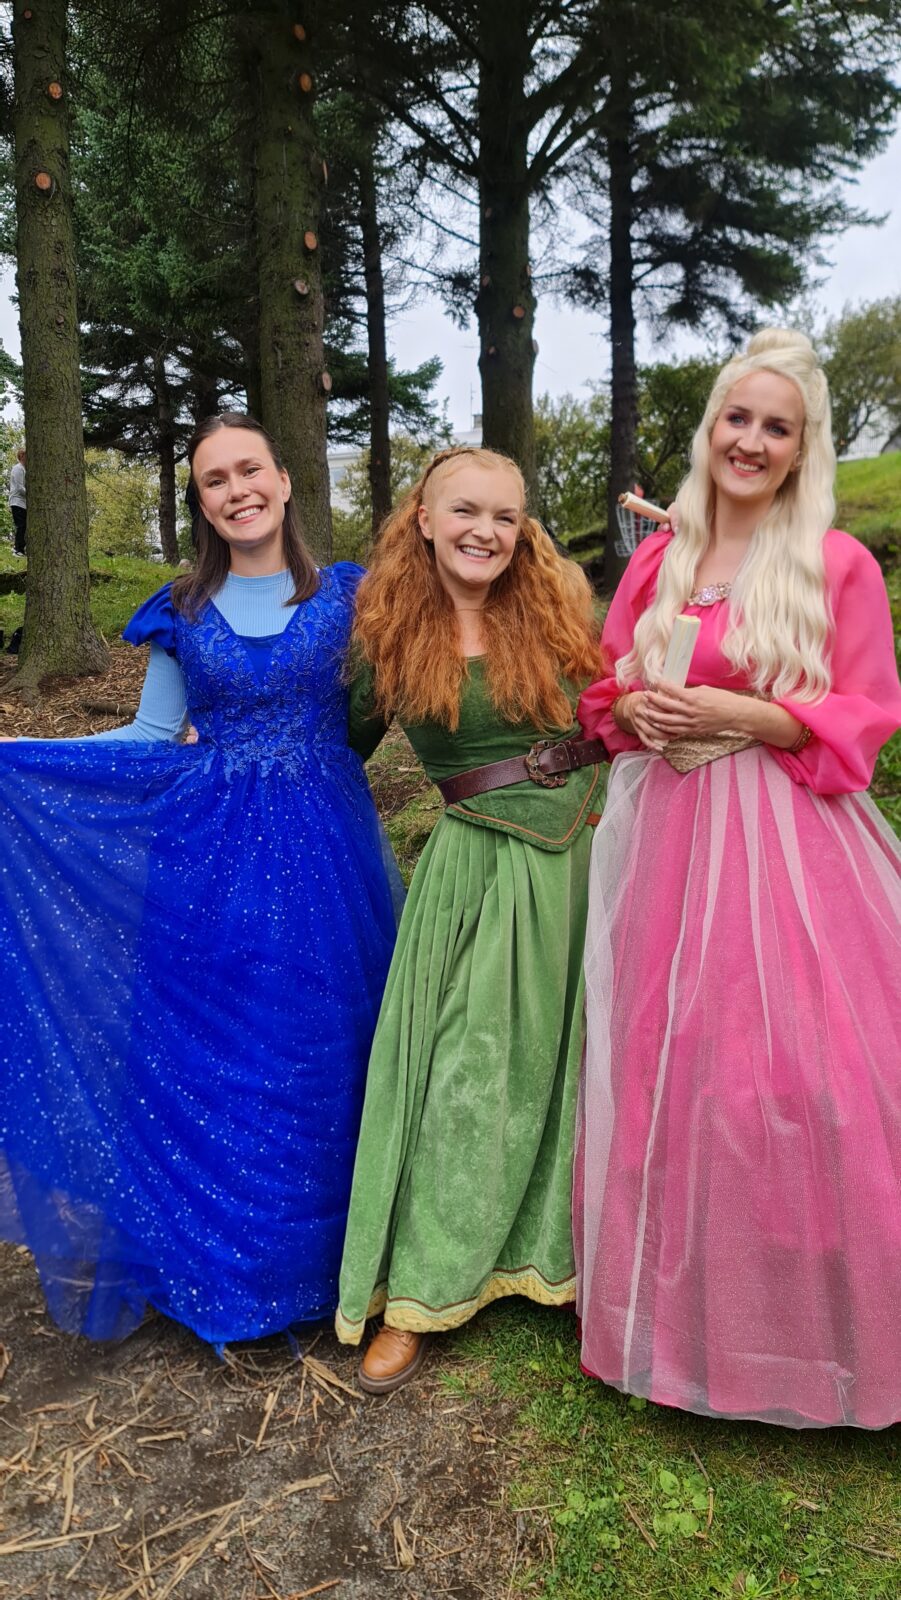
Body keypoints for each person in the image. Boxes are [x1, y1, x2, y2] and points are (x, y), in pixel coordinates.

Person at [0, 414, 396, 1347]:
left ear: (284, 480)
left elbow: (396, 697)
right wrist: (20, 755)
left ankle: (334, 1260)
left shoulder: (350, 596)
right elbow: (149, 735)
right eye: (214, 480)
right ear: (203, 502)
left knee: (318, 1041)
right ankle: (230, 1267)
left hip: (326, 853)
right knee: (225, 1047)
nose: (236, 490)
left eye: (249, 470)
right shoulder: (183, 608)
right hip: (213, 855)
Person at [575, 329, 901, 1429]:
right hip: (669, 839)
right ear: (709, 427)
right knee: (679, 1070)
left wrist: (747, 712)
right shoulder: (658, 561)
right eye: (736, 417)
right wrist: (634, 705)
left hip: (788, 842)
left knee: (803, 1074)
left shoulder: (834, 564)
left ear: (803, 448)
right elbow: (605, 694)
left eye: (777, 427)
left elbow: (865, 713)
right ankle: (690, 1330)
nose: (750, 440)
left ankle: (830, 1328)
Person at [334, 445, 607, 1393]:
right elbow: (330, 752)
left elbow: (618, 712)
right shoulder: (386, 635)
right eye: (465, 511)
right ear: (423, 517)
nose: (484, 531)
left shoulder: (558, 610)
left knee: (579, 1067)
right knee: (466, 1069)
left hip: (591, 853)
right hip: (481, 868)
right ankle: (421, 1291)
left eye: (504, 516)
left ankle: (567, 1262)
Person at [8, 447, 26, 556]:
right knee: (21, 526)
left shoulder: (23, 469)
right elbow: (20, 488)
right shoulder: (18, 468)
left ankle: (21, 549)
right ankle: (17, 549)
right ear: (22, 456)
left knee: (23, 526)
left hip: (22, 502)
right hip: (17, 502)